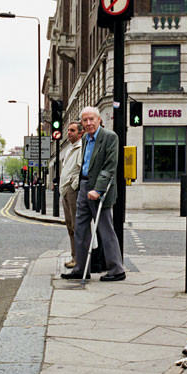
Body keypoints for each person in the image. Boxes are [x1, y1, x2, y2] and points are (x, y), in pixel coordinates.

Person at [61, 106, 126, 282]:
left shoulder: (109, 137)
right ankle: (81, 268)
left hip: (99, 191)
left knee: (105, 230)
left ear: (99, 120)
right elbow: (84, 165)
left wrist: (97, 190)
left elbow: (109, 167)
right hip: (83, 187)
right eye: (85, 120)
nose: (88, 123)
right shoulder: (86, 140)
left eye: (91, 119)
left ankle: (117, 269)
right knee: (80, 229)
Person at [59, 121, 83, 269]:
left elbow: (82, 170)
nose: (69, 133)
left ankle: (78, 259)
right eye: (68, 130)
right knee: (69, 226)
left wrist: (73, 185)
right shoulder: (70, 149)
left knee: (76, 226)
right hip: (65, 191)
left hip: (72, 191)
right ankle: (74, 256)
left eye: (72, 130)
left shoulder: (81, 148)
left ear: (80, 133)